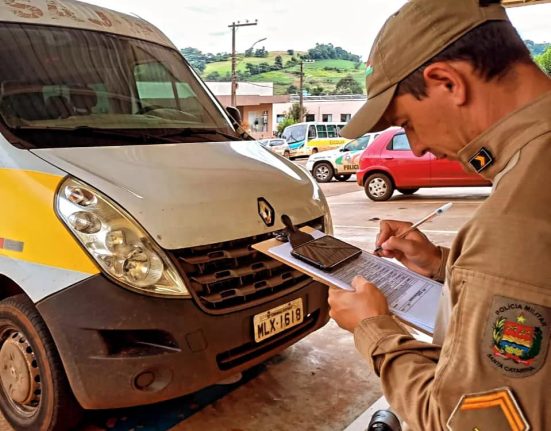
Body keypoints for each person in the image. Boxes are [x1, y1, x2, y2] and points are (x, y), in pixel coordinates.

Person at [328, 0, 551, 430]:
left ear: (447, 81)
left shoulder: (515, 216)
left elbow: (465, 423)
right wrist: (445, 266)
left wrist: (374, 331)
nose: (415, 148)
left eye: (407, 123)